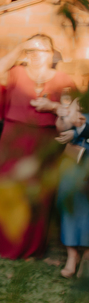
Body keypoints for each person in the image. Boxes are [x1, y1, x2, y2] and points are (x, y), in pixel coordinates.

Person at [0, 34, 75, 261]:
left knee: (38, 190)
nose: (36, 55)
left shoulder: (63, 80)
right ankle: (0, 243)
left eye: (42, 50)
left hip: (45, 139)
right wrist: (21, 45)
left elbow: (72, 113)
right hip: (14, 137)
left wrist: (52, 106)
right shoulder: (16, 73)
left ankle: (30, 247)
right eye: (31, 50)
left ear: (51, 54)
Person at [56, 100, 88, 278]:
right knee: (68, 201)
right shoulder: (79, 98)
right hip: (74, 155)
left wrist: (78, 131)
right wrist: (62, 117)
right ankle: (72, 255)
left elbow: (80, 129)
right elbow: (63, 128)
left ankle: (87, 257)